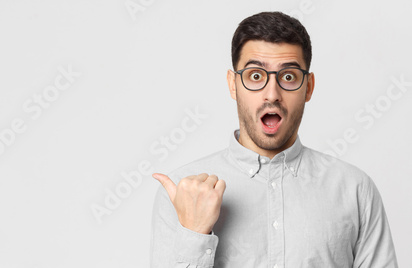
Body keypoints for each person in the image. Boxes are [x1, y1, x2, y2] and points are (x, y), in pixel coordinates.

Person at [150, 11, 398, 268]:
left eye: (288, 77)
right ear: (233, 85)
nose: (272, 94)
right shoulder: (183, 193)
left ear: (309, 87)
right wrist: (195, 234)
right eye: (255, 76)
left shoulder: (355, 190)